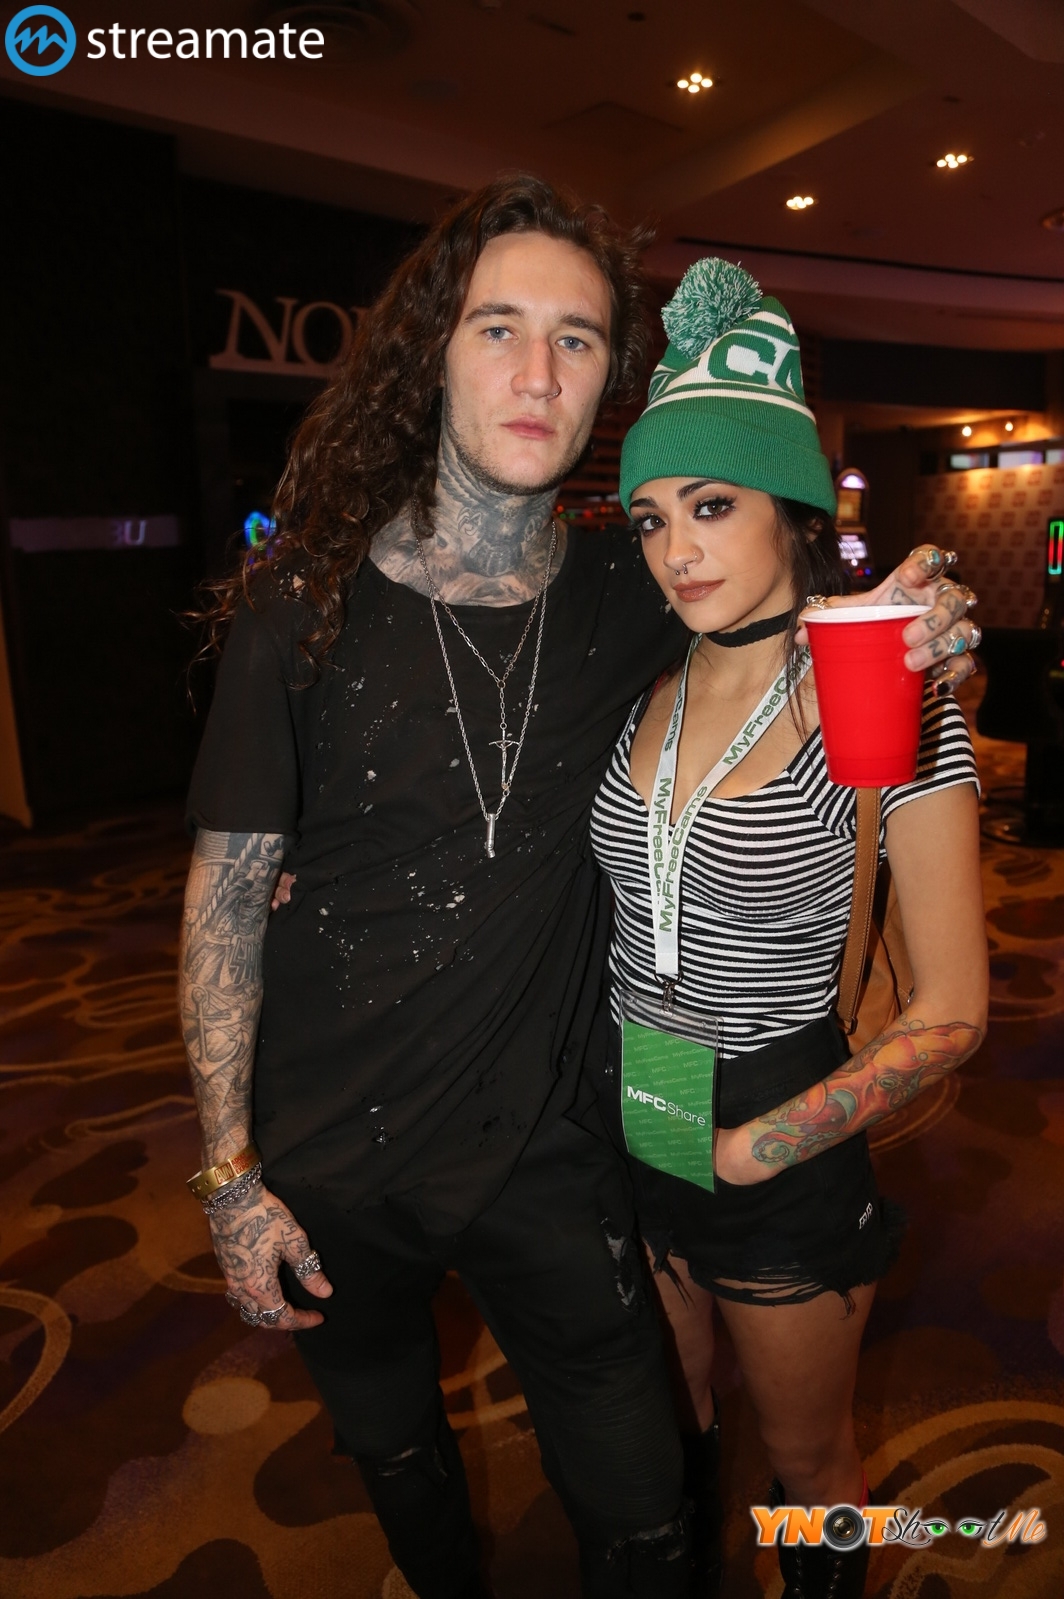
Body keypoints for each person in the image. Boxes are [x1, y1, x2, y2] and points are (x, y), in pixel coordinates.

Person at [178, 178, 978, 1599]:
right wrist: (232, 1165)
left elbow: (947, 978)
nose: (680, 545)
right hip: (527, 1119)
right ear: (434, 350)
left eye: (579, 338)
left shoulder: (718, 627)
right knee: (556, 1443)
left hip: (666, 1134)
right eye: (498, 327)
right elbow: (240, 886)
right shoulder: (368, 613)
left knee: (740, 1476)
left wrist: (937, 638)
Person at [588, 258, 989, 1598]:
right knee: (676, 1413)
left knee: (811, 1460)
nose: (677, 551)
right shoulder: (642, 682)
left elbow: (953, 1011)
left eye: (712, 506)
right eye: (651, 519)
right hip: (644, 1086)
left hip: (781, 1107)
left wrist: (749, 1151)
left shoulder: (887, 694)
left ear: (793, 508)